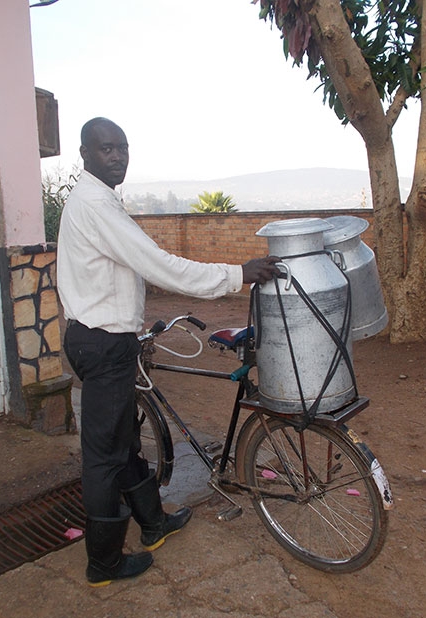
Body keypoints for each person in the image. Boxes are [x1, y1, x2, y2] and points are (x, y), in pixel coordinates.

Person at [57, 117, 280, 587]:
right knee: (102, 458)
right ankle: (104, 563)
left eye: (122, 147)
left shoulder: (97, 200)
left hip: (104, 340)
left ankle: (154, 524)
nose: (117, 156)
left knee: (123, 443)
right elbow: (161, 265)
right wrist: (236, 273)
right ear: (85, 155)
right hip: (102, 343)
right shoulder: (96, 205)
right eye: (105, 149)